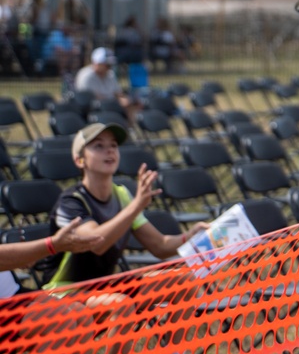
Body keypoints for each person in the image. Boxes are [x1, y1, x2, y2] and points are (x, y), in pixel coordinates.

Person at [40, 123, 208, 299]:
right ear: (79, 160)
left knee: (184, 280)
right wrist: (136, 206)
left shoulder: (121, 195)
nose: (110, 150)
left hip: (104, 286)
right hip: (65, 291)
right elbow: (96, 243)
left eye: (113, 145)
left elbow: (160, 246)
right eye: (99, 146)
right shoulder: (70, 202)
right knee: (121, 305)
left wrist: (190, 236)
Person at [0, 217, 100, 299]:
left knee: (78, 312)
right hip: (5, 308)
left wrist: (19, 257)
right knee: (63, 317)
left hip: (14, 293)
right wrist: (52, 246)